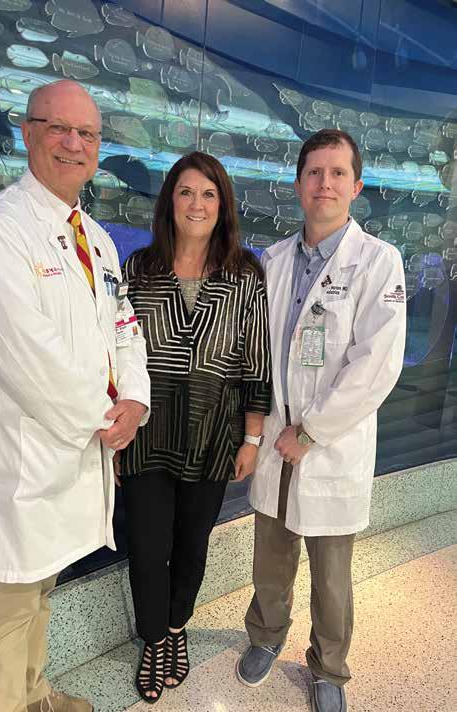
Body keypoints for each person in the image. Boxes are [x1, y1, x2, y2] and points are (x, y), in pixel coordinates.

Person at [0, 80, 150, 712]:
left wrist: (135, 400)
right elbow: (24, 354)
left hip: (75, 447)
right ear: (28, 132)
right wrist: (102, 417)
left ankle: (33, 694)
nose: (73, 143)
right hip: (23, 452)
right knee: (10, 597)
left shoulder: (96, 237)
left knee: (41, 588)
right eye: (58, 128)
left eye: (86, 133)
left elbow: (124, 324)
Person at [236, 129, 406, 712]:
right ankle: (266, 635)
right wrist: (261, 431)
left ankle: (329, 667)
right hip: (275, 441)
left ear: (356, 187)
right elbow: (259, 352)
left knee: (332, 574)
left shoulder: (378, 262)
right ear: (298, 183)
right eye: (314, 172)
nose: (324, 183)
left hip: (329, 446)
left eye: (337, 173)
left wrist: (310, 432)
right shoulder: (274, 261)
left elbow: (375, 366)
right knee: (270, 556)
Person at [117, 151, 272, 703]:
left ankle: (177, 626)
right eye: (186, 192)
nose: (197, 204)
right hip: (146, 437)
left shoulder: (244, 274)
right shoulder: (139, 269)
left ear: (223, 205)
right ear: (170, 201)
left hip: (213, 436)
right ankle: (153, 639)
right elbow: (116, 353)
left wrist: (252, 438)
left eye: (209, 194)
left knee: (191, 545)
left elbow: (256, 362)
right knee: (146, 546)